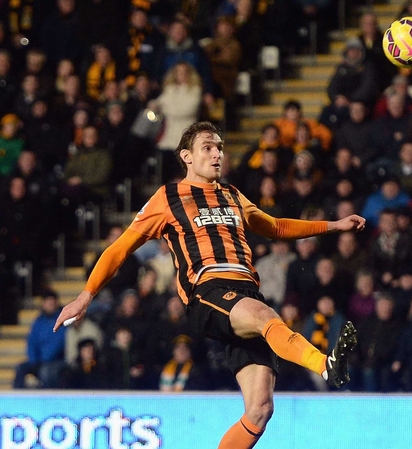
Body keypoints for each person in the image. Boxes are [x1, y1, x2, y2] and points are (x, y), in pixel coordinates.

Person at [54, 121, 364, 449]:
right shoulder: (167, 197)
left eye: (219, 147)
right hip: (208, 292)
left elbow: (275, 227)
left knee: (260, 409)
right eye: (208, 147)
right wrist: (85, 296)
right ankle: (325, 366)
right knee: (264, 315)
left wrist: (333, 225)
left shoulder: (231, 195)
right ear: (186, 156)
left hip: (244, 292)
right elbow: (119, 249)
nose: (217, 154)